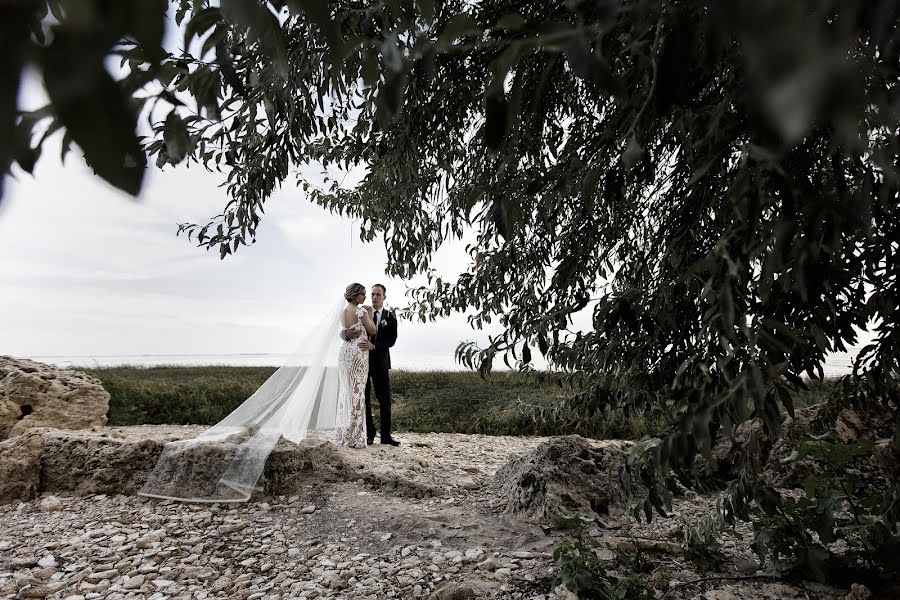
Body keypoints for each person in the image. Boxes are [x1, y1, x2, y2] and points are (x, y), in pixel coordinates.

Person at [343, 283, 399, 445]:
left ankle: (386, 436)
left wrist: (375, 346)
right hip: (361, 363)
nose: (374, 297)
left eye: (378, 295)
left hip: (381, 363)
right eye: (372, 294)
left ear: (384, 297)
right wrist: (344, 333)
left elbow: (391, 340)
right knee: (364, 399)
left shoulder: (391, 316)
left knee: (385, 400)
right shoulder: (363, 310)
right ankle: (369, 434)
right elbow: (349, 327)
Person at [335, 283, 377, 448]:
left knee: (347, 391)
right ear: (354, 295)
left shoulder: (342, 312)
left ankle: (345, 432)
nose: (365, 297)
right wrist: (370, 313)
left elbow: (345, 330)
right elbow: (372, 330)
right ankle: (355, 436)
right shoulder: (361, 311)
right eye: (362, 294)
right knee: (357, 392)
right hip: (358, 353)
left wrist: (345, 334)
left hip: (345, 352)